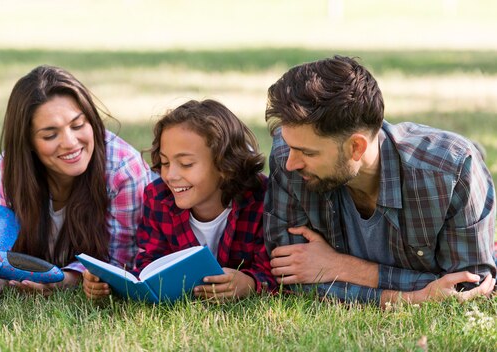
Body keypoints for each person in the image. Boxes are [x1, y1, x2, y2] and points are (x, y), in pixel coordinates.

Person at [264, 55, 496, 307]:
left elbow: (469, 288)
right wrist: (418, 294)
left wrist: (342, 267)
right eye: (291, 147)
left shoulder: (452, 171)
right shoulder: (286, 156)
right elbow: (290, 277)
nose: (291, 163)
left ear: (356, 147)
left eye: (308, 152)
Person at [0, 65, 154, 298]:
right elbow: (5, 236)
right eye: (50, 135)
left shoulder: (124, 171)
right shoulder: (14, 166)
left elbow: (121, 261)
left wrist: (65, 280)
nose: (70, 142)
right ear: (28, 142)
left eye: (78, 124)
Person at [84, 99, 276, 300]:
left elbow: (276, 274)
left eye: (186, 164)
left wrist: (250, 284)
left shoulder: (261, 200)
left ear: (225, 165)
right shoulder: (158, 197)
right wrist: (108, 283)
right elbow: (150, 266)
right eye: (165, 162)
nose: (171, 175)